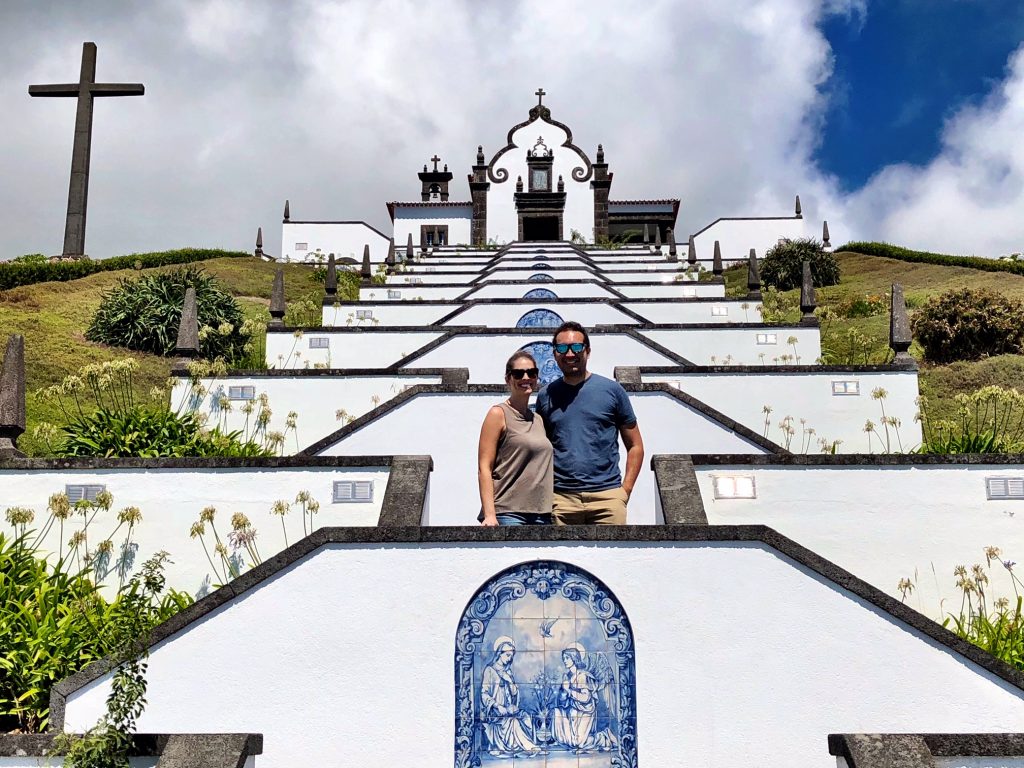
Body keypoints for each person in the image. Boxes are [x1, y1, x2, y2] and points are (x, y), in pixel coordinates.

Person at [535, 321, 644, 525]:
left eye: (576, 347)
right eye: (562, 348)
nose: (569, 353)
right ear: (554, 353)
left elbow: (636, 445)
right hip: (562, 500)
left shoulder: (612, 391)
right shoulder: (545, 396)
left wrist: (624, 491)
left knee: (613, 557)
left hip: (608, 498)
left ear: (587, 350)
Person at [477, 350, 554, 526]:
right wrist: (490, 515)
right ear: (508, 379)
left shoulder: (539, 419)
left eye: (531, 373)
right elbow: (484, 467)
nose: (526, 377)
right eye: (519, 374)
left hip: (542, 514)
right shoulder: (498, 413)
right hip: (508, 513)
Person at [479, 637, 540, 756]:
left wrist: (510, 682)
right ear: (499, 654)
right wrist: (497, 706)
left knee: (526, 717)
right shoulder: (490, 670)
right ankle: (530, 747)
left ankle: (523, 745)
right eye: (507, 655)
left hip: (508, 710)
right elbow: (484, 694)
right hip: (496, 712)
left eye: (511, 656)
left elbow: (514, 694)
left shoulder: (508, 672)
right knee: (514, 722)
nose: (510, 658)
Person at [551, 646, 616, 752]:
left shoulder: (582, 676)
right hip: (571, 711)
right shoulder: (567, 676)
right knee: (567, 740)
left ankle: (603, 738)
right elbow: (562, 701)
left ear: (574, 658)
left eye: (567, 658)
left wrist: (569, 691)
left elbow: (586, 698)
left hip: (585, 711)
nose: (565, 661)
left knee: (579, 743)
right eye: (564, 659)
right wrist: (563, 693)